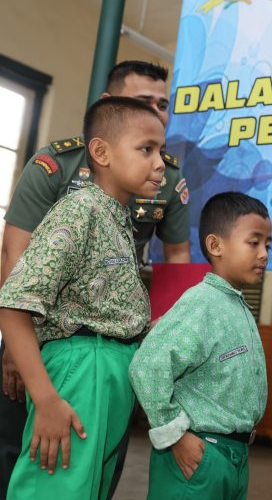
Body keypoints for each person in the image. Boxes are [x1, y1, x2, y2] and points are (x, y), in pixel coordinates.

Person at [0, 60, 190, 497]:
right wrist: (46, 398)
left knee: (90, 487)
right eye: (146, 150)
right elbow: (15, 299)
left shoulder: (117, 216)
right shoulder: (80, 208)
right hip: (81, 364)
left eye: (161, 151)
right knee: (57, 487)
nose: (160, 164)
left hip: (113, 366)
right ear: (101, 152)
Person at [129, 192, 270, 500]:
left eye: (268, 245)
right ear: (215, 245)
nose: (263, 254)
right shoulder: (200, 302)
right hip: (200, 453)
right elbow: (147, 366)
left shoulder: (236, 305)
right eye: (254, 242)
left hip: (233, 456)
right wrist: (174, 435)